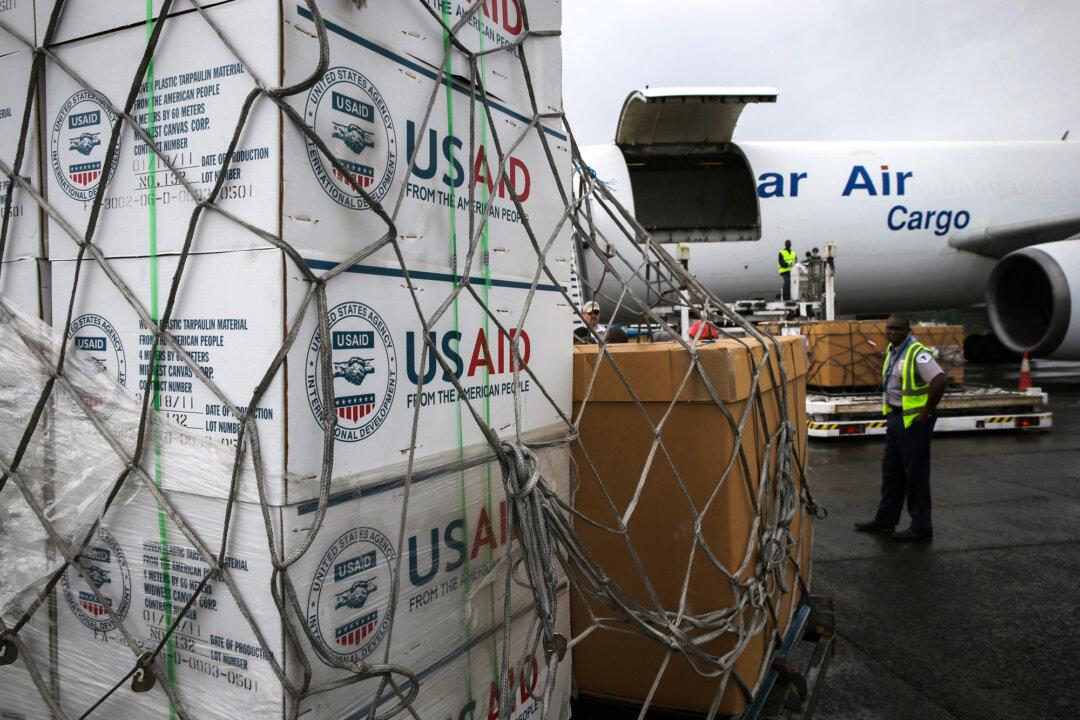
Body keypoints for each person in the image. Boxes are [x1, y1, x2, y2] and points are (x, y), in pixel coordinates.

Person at [855, 313, 947, 541]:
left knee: (915, 475)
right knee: (891, 472)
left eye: (897, 329)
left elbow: (939, 380)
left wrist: (925, 412)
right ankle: (886, 519)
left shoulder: (917, 353)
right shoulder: (893, 351)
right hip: (896, 419)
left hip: (914, 423)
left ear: (908, 330)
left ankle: (921, 527)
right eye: (889, 329)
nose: (892, 333)